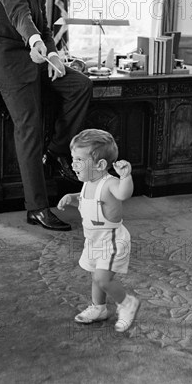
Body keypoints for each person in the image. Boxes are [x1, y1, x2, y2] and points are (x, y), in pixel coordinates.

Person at [0, 0, 92, 231]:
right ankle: (37, 208)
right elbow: (21, 17)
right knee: (29, 126)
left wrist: (55, 56)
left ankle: (55, 152)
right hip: (8, 61)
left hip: (38, 55)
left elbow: (43, 28)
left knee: (80, 84)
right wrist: (33, 40)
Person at [57, 129, 140, 332]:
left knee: (103, 279)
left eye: (79, 160)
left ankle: (127, 303)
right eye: (73, 158)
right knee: (95, 277)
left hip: (111, 240)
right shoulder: (87, 183)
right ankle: (99, 308)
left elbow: (123, 193)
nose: (73, 164)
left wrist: (126, 177)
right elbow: (87, 198)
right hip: (93, 239)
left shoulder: (110, 183)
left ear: (100, 165)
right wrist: (72, 197)